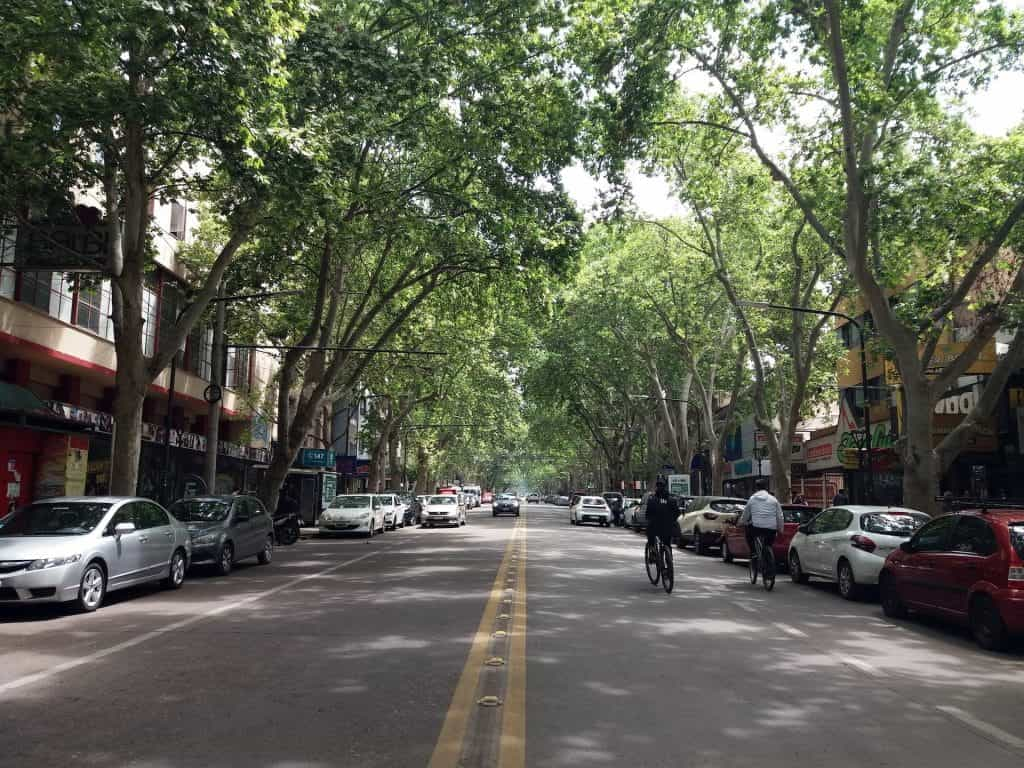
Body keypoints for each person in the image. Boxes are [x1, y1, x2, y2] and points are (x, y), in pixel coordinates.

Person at [739, 478, 784, 566]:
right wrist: (780, 529)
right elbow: (780, 516)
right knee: (768, 544)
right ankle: (768, 560)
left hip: (757, 528)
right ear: (766, 487)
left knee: (748, 531)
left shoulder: (752, 499)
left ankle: (753, 553)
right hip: (771, 529)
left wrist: (742, 522)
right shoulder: (774, 500)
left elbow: (745, 515)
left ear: (756, 488)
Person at [645, 478, 680, 558]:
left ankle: (652, 551)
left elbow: (648, 514)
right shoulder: (672, 500)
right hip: (668, 527)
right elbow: (677, 513)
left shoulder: (652, 500)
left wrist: (648, 520)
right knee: (667, 543)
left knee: (650, 534)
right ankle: (669, 558)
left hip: (655, 527)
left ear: (657, 487)